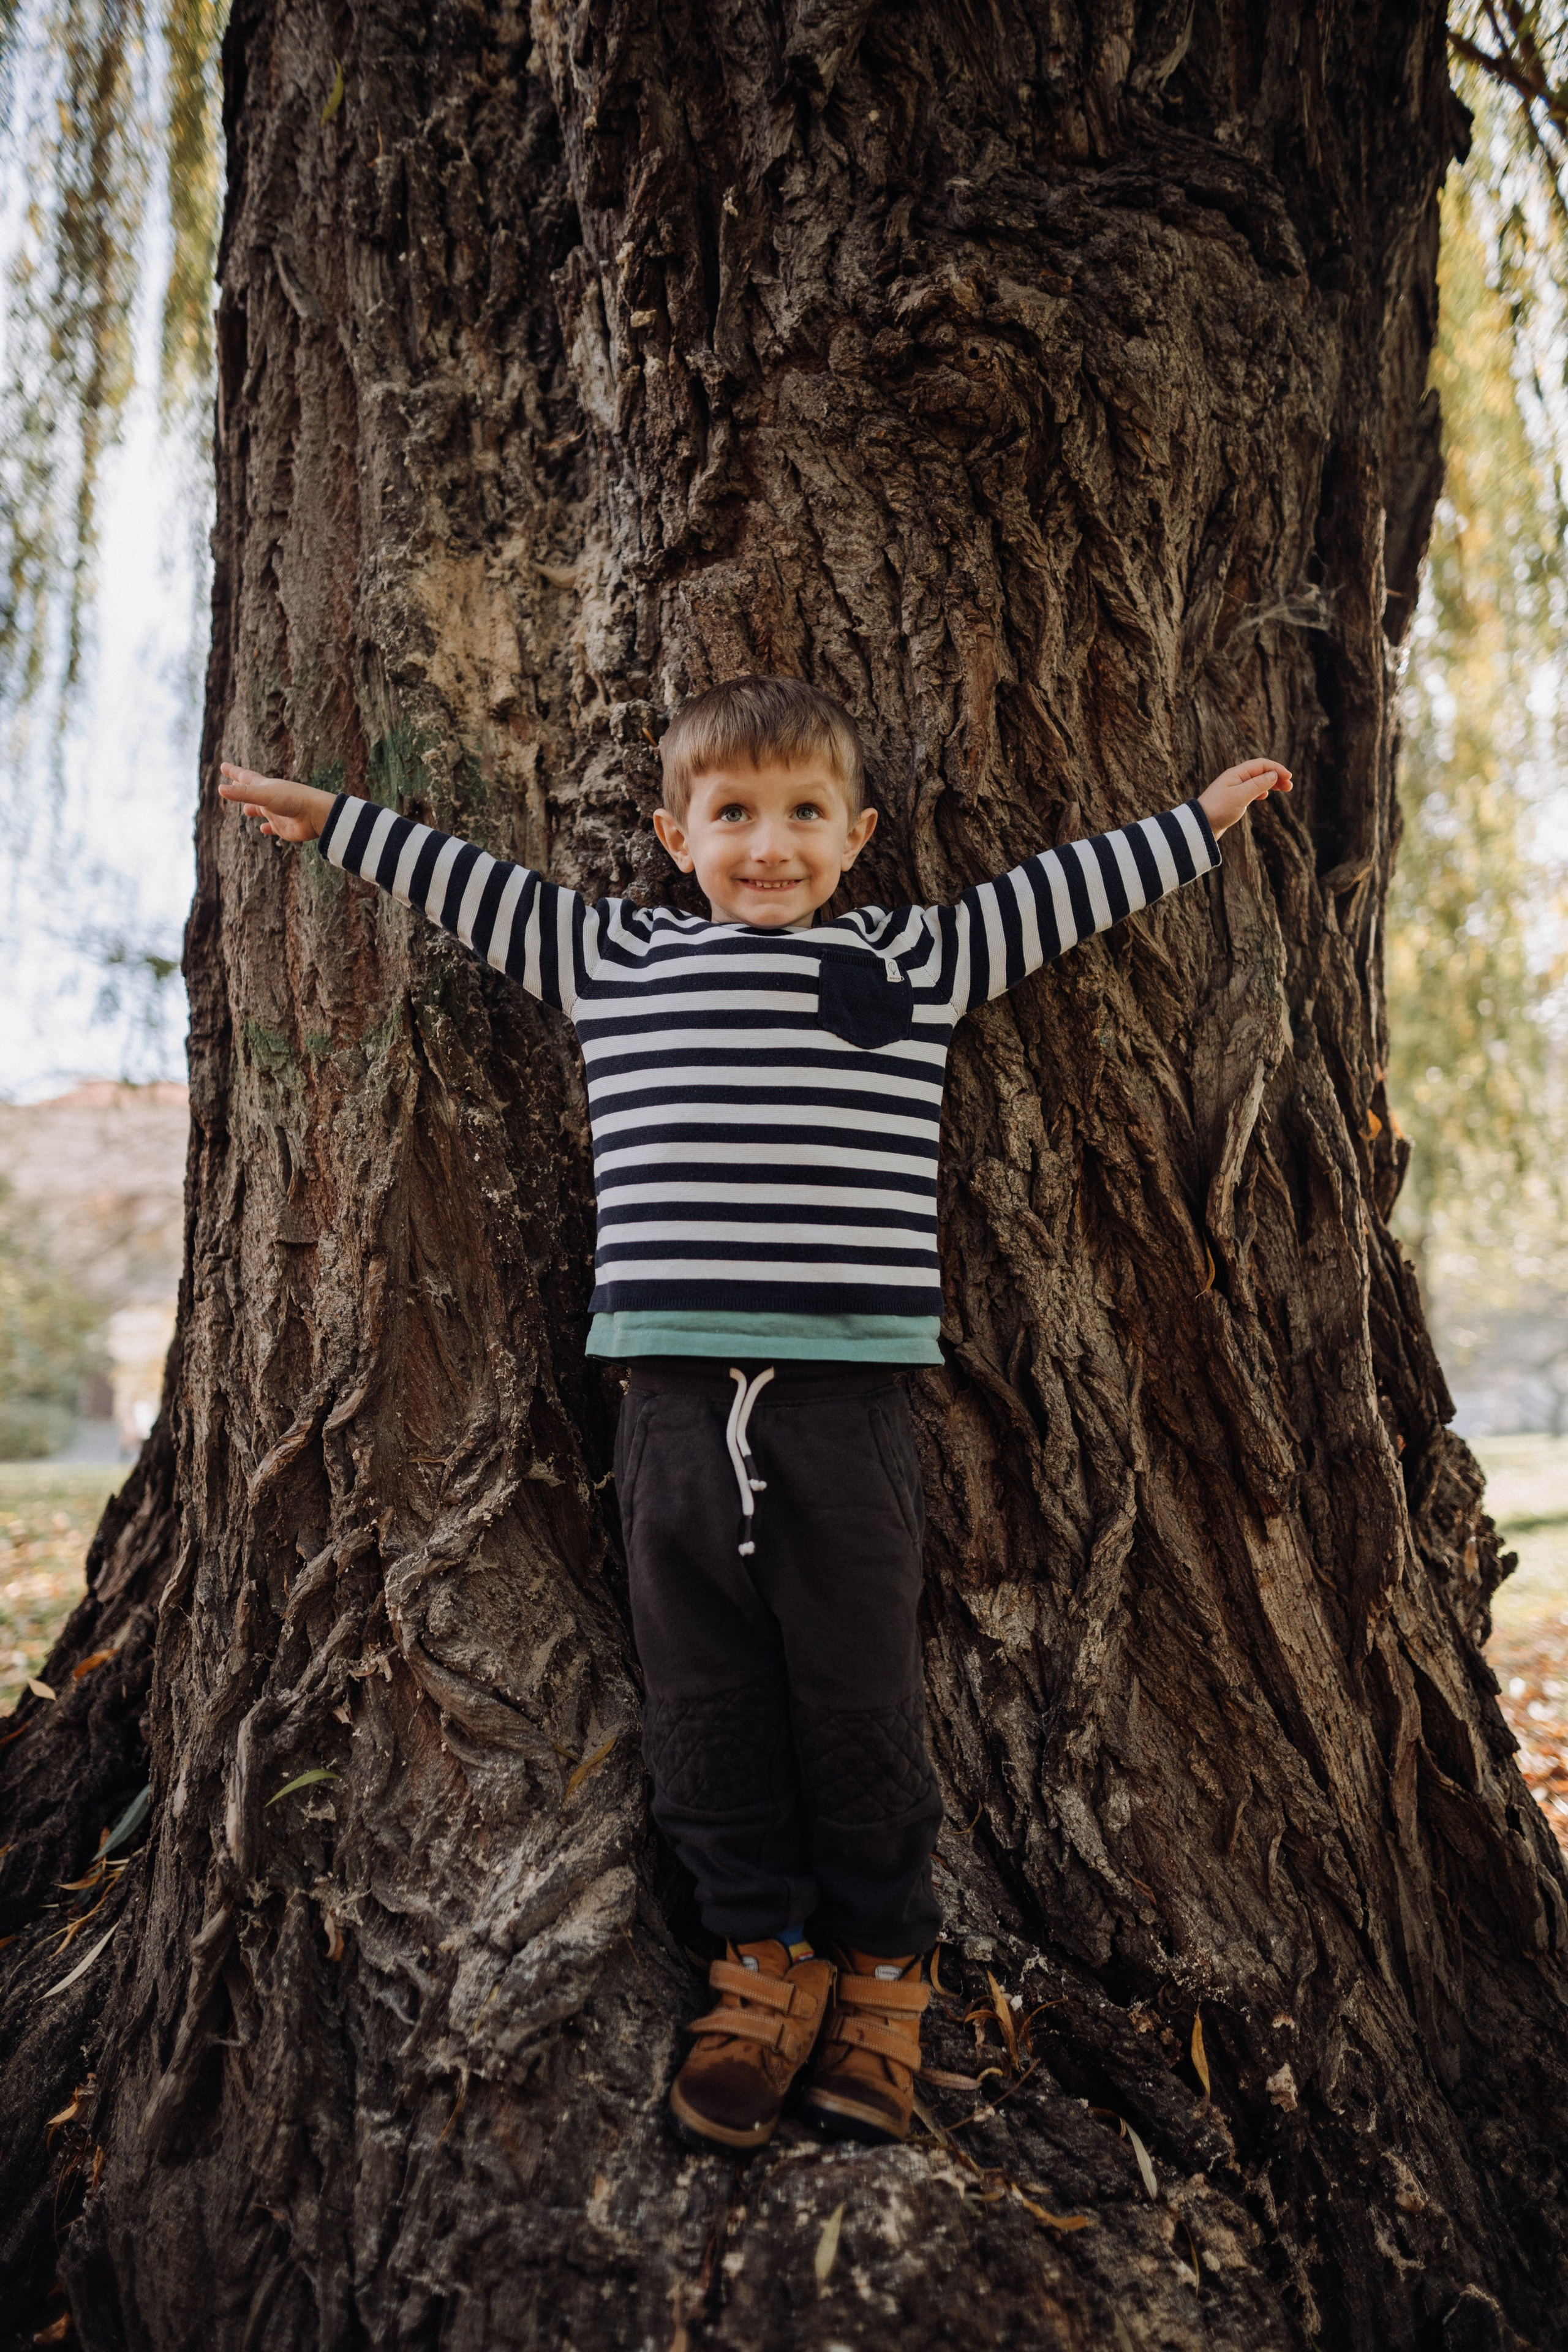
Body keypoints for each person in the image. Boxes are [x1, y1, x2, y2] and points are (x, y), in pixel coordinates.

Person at [220, 676, 1289, 2156]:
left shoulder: (915, 958)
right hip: (664, 1398)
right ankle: (755, 1967)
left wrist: (1197, 826)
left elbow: (1056, 896)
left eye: (801, 815)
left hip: (844, 1405)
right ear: (676, 835)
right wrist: (331, 818)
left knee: (856, 1695)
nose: (767, 845)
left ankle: (883, 1979)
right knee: (703, 1690)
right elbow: (466, 883)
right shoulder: (611, 954)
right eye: (733, 815)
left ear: (855, 836)